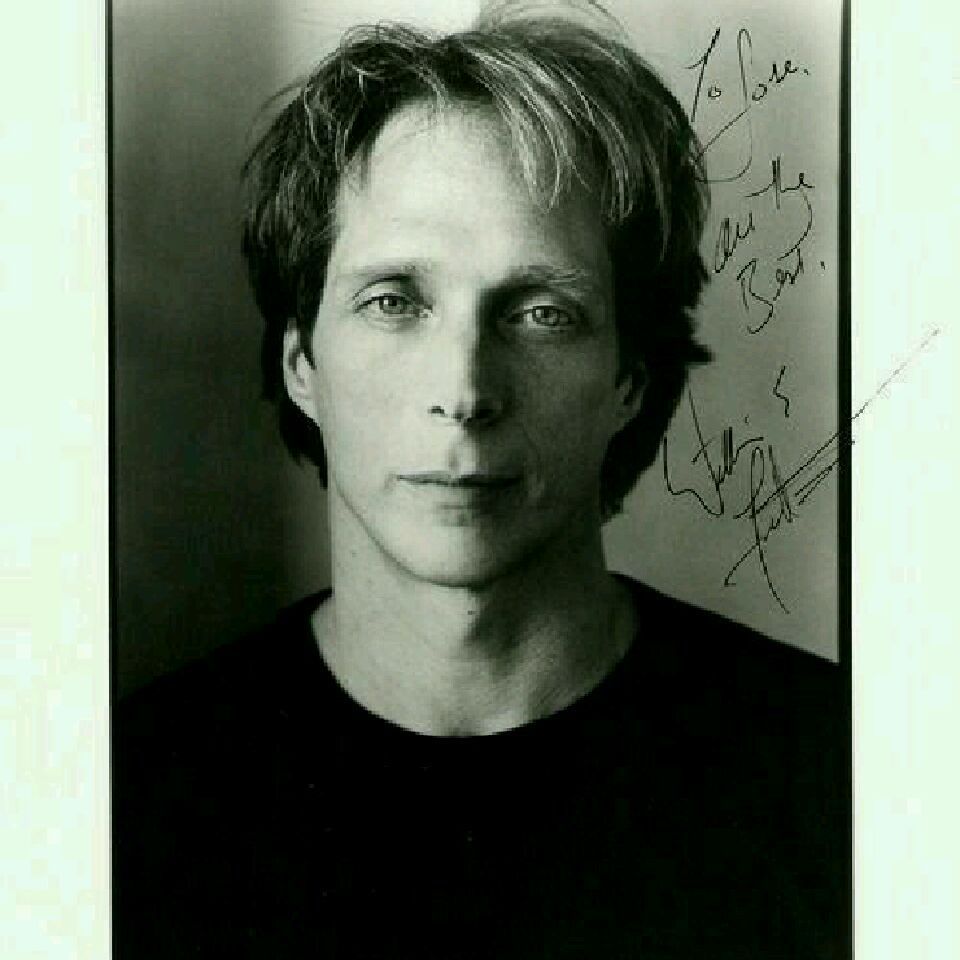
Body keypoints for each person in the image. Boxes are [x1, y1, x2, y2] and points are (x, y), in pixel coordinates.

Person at [114, 8, 847, 958]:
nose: (463, 392)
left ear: (629, 379)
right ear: (302, 364)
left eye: (541, 312)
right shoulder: (128, 796)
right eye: (393, 302)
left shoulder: (835, 768)